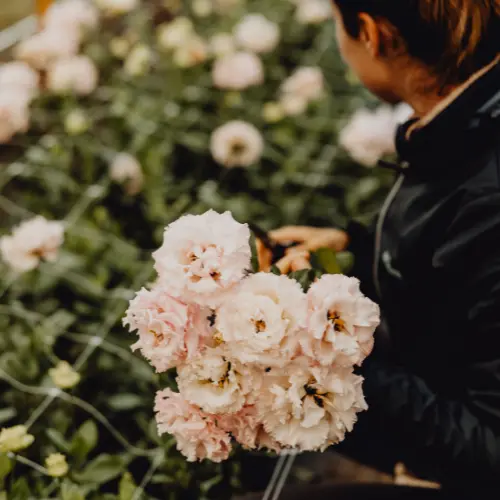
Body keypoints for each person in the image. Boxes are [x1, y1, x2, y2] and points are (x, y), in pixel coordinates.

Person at [266, 0, 500, 493]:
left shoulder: (486, 200)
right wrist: (359, 245)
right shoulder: (465, 127)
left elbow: (489, 450)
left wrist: (340, 352)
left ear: (372, 33)